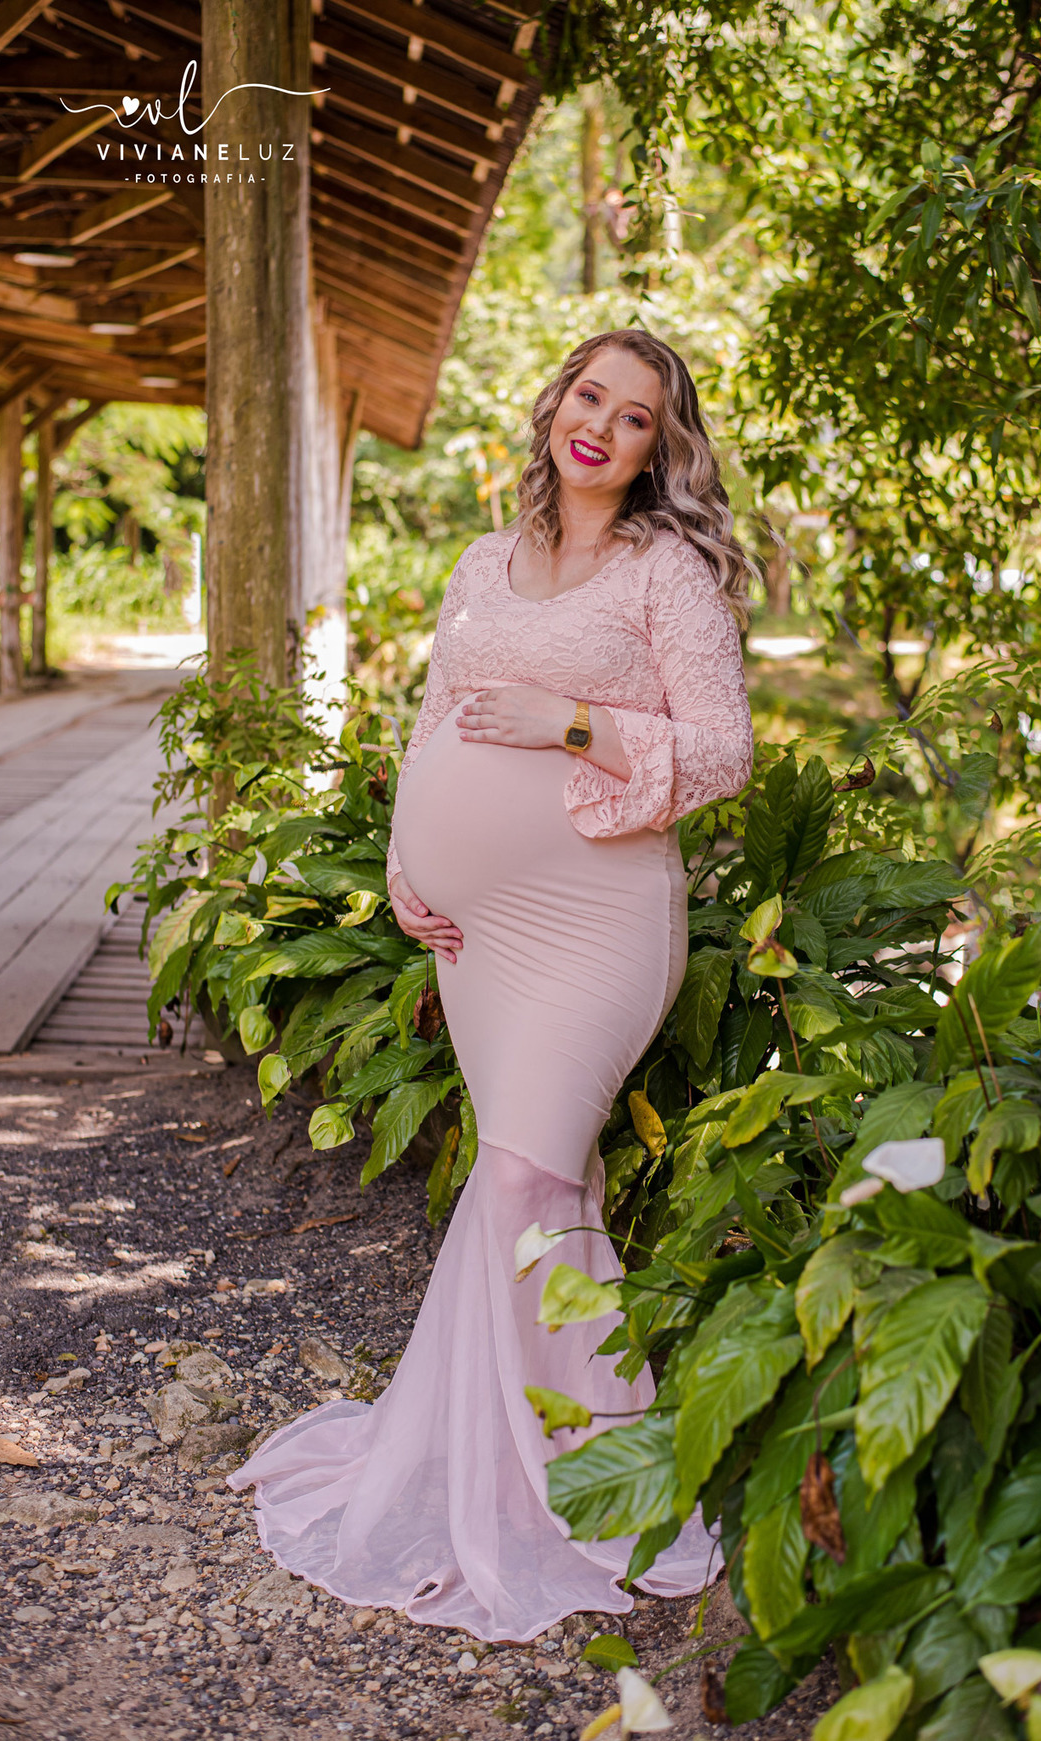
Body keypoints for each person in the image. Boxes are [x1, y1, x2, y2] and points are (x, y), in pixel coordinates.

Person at [229, 330, 756, 1643]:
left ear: (655, 450)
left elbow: (727, 748)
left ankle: (511, 1480)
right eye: (589, 397)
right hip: (478, 940)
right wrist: (413, 864)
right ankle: (582, 1461)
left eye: (635, 418)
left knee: (522, 1178)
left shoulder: (665, 573)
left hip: (597, 920)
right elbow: (432, 719)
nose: (602, 428)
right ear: (555, 406)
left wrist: (565, 720)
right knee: (551, 1189)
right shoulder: (481, 563)